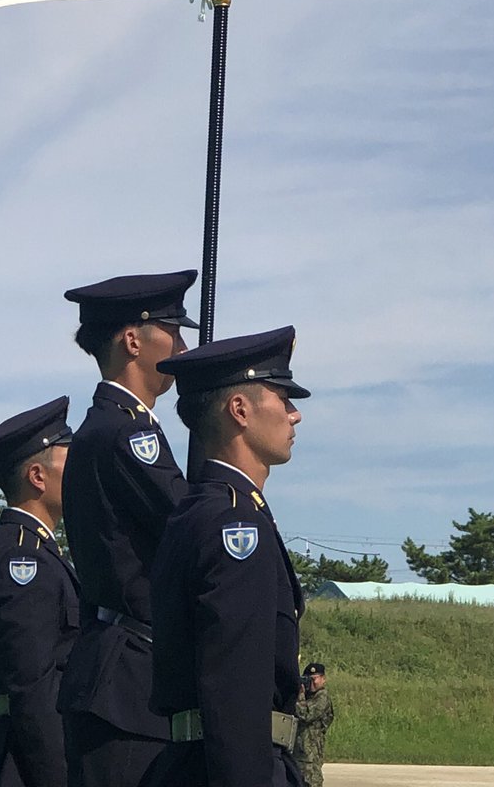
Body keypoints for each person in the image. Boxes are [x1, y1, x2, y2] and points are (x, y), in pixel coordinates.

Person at [147, 326, 309, 787]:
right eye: (282, 397)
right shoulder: (234, 524)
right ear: (240, 410)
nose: (295, 415)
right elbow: (236, 690)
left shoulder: (202, 510)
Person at [57, 270, 199, 787]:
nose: (183, 347)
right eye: (174, 331)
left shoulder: (111, 426)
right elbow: (189, 528)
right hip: (129, 684)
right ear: (134, 340)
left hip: (126, 676)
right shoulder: (126, 432)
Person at [0, 397, 80, 787]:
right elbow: (33, 689)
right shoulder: (22, 561)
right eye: (71, 461)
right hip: (28, 763)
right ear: (37, 476)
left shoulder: (34, 551)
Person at [294, 663, 334, 787]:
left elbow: (306, 714)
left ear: (323, 679)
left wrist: (299, 696)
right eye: (307, 680)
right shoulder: (307, 697)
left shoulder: (322, 697)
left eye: (314, 679)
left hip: (311, 758)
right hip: (298, 755)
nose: (311, 683)